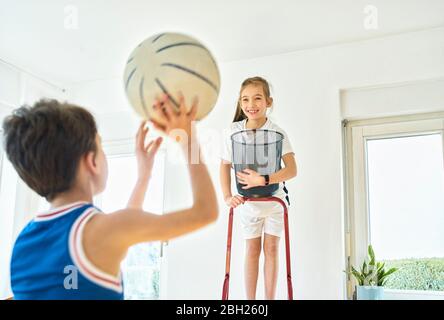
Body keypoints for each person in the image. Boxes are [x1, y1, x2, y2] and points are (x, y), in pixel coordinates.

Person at [3, 94, 218, 299]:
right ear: (92, 162)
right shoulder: (101, 231)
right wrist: (188, 140)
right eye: (101, 146)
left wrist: (144, 176)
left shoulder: (23, 244)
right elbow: (205, 211)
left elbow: (124, 227)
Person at [220, 76, 297, 300]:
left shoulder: (278, 132)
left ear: (268, 102)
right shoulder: (233, 131)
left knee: (272, 250)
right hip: (248, 204)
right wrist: (227, 196)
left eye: (257, 98)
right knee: (252, 251)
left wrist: (263, 179)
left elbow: (292, 170)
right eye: (245, 99)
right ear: (239, 103)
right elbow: (224, 165)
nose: (250, 104)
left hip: (275, 203)